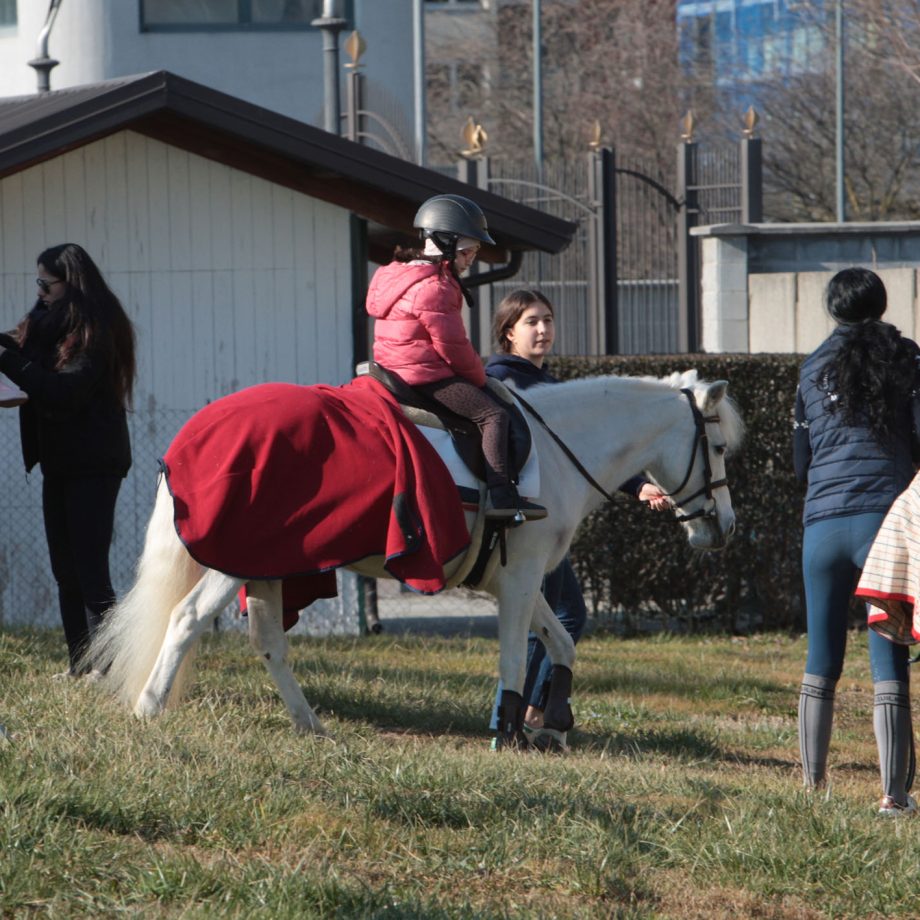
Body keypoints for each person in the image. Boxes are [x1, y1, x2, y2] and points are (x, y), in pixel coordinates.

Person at [485, 289, 669, 746]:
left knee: (564, 615)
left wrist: (636, 484)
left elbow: (586, 451)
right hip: (527, 524)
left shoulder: (545, 384)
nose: (543, 329)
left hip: (546, 523)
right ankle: (515, 720)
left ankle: (533, 714)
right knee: (553, 617)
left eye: (547, 320)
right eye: (531, 322)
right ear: (509, 331)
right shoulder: (505, 382)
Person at [794, 267, 920, 816]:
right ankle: (894, 796)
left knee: (821, 659)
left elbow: (800, 463)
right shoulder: (907, 359)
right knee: (887, 660)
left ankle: (812, 787)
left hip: (820, 525)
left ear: (832, 309)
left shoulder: (809, 369)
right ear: (882, 303)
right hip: (885, 525)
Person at [365, 194, 546, 522]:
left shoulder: (397, 274)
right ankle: (503, 498)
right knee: (493, 415)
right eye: (467, 252)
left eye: (474, 252)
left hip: (390, 368)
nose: (470, 260)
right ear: (445, 246)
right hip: (422, 375)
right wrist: (479, 377)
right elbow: (453, 348)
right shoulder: (436, 286)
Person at [0, 244, 136, 678]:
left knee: (91, 571)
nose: (39, 291)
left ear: (70, 283)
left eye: (46, 283)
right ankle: (81, 667)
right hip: (59, 461)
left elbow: (63, 391)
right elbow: (22, 349)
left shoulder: (97, 329)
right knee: (66, 572)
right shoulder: (47, 322)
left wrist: (6, 360)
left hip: (94, 463)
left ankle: (112, 668)